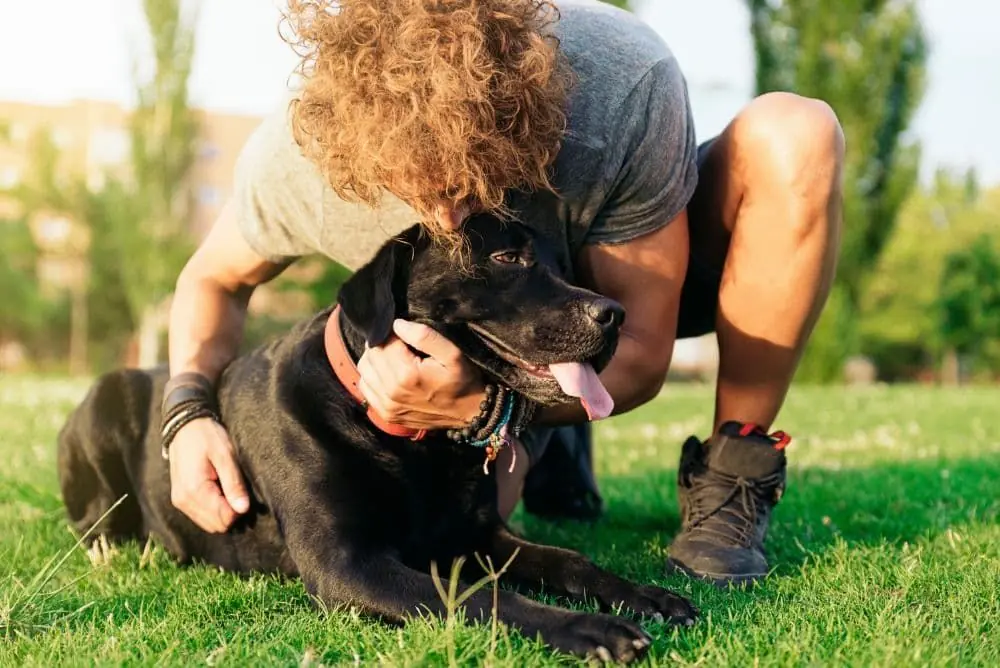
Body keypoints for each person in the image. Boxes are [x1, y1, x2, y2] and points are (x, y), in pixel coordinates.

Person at [163, 0, 844, 587]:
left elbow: (639, 354)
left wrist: (488, 412)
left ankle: (734, 471)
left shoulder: (622, 83)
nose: (452, 216)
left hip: (610, 288)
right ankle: (553, 433)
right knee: (466, 539)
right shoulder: (301, 156)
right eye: (422, 189)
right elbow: (211, 282)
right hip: (489, 338)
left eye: (470, 182)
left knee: (798, 135)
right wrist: (186, 413)